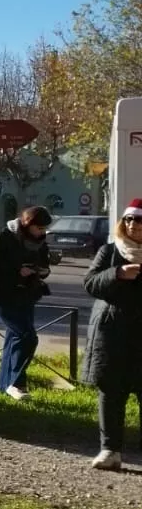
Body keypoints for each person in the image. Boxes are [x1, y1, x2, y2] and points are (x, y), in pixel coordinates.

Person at [82, 199, 142, 471]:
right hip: (112, 332)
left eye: (139, 221)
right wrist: (117, 273)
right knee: (111, 392)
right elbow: (91, 283)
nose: (133, 226)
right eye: (128, 220)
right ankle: (110, 450)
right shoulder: (110, 251)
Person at [0, 205, 53, 401]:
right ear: (27, 224)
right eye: (39, 228)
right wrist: (16, 272)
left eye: (44, 229)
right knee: (27, 336)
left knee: (14, 339)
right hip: (2, 295)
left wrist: (41, 271)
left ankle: (3, 385)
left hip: (28, 294)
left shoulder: (40, 241)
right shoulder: (4, 237)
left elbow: (45, 263)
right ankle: (16, 383)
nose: (41, 233)